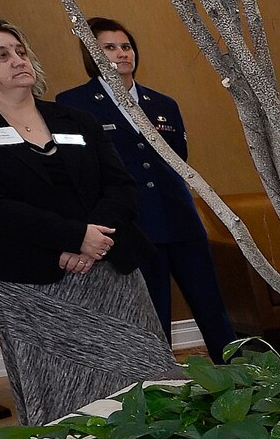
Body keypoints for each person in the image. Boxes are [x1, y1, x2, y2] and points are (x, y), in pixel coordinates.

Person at [0, 16, 183, 425]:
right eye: (1, 54)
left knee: (144, 373)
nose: (18, 60)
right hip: (31, 281)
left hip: (110, 269)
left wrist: (93, 239)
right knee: (60, 386)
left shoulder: (76, 119)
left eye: (20, 51)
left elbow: (120, 187)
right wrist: (71, 238)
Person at [56, 18, 237, 361]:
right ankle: (160, 385)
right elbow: (81, 169)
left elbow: (178, 158)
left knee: (211, 305)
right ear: (92, 53)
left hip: (179, 217)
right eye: (109, 47)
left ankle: (238, 373)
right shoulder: (74, 103)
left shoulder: (162, 103)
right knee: (152, 313)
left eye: (126, 46)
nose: (122, 54)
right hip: (132, 225)